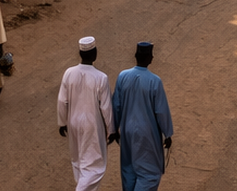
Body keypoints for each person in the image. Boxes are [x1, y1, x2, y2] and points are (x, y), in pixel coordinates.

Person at [111, 42, 174, 191]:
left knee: (128, 169)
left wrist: (114, 129)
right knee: (149, 173)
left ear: (135, 56)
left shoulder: (123, 76)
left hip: (127, 132)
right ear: (150, 58)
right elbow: (161, 111)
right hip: (147, 134)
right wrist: (168, 133)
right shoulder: (155, 81)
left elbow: (116, 105)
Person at [58, 36, 113, 191]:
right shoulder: (101, 78)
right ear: (95, 54)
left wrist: (62, 122)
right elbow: (106, 108)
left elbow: (62, 100)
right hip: (92, 125)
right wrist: (112, 130)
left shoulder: (69, 73)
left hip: (73, 123)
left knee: (78, 160)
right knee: (94, 166)